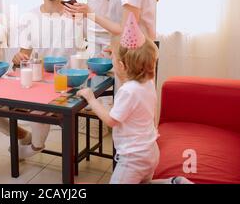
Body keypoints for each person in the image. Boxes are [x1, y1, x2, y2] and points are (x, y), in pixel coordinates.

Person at [77, 13, 192, 184]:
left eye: (114, 59)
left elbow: (111, 120)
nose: (112, 60)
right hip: (150, 152)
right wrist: (117, 52)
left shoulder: (128, 91)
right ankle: (174, 182)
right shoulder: (147, 82)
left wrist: (91, 98)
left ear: (122, 66)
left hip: (133, 159)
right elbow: (143, 52)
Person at [12, 0, 85, 158]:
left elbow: (92, 45)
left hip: (71, 82)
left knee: (40, 108)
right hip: (42, 81)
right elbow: (23, 55)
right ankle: (32, 143)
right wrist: (18, 58)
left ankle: (34, 147)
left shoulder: (76, 13)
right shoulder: (29, 17)